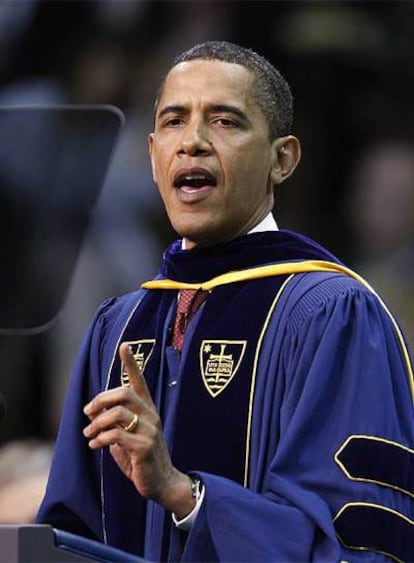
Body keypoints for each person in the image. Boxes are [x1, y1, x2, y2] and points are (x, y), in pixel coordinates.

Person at [37, 41, 414, 562]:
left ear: (282, 159)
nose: (191, 142)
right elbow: (66, 531)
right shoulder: (118, 326)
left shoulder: (333, 313)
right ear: (151, 156)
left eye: (224, 122)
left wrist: (185, 495)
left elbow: (357, 538)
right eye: (173, 121)